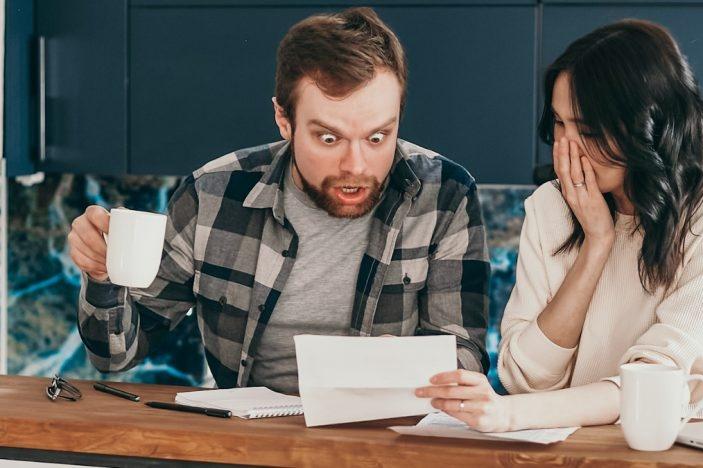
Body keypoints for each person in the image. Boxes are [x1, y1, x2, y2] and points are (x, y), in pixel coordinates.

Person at [68, 7, 490, 393]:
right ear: (283, 120)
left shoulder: (445, 195)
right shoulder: (212, 195)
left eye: (378, 136)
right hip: (249, 441)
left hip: (384, 442)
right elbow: (116, 355)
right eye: (328, 137)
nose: (356, 164)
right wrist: (103, 279)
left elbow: (466, 358)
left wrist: (403, 365)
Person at [415, 19, 703, 431]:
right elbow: (525, 377)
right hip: (566, 453)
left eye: (590, 131)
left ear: (650, 126)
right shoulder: (551, 207)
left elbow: (659, 383)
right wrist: (597, 241)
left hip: (675, 453)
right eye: (560, 124)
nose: (568, 148)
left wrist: (509, 413)